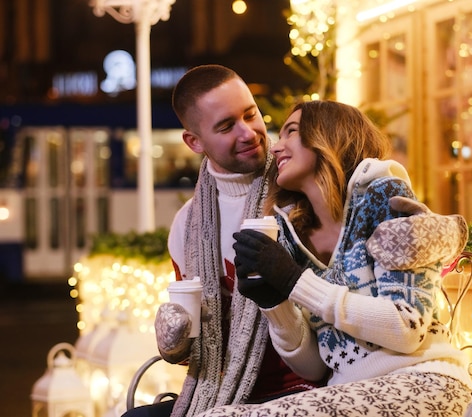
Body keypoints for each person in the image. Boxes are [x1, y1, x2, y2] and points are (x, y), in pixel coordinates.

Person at [123, 66, 440, 417]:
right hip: (221, 389)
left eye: (250, 114)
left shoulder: (302, 194)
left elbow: (395, 262)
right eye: (227, 126)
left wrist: (287, 283)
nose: (249, 133)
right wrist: (177, 345)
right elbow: (200, 347)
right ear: (194, 142)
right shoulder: (188, 225)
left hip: (307, 388)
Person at [197, 100, 472, 416]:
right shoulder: (291, 236)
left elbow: (407, 329)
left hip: (426, 382)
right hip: (349, 395)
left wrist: (294, 282)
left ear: (328, 136)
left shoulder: (383, 195)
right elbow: (314, 369)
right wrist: (275, 304)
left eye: (291, 132)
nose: (277, 148)